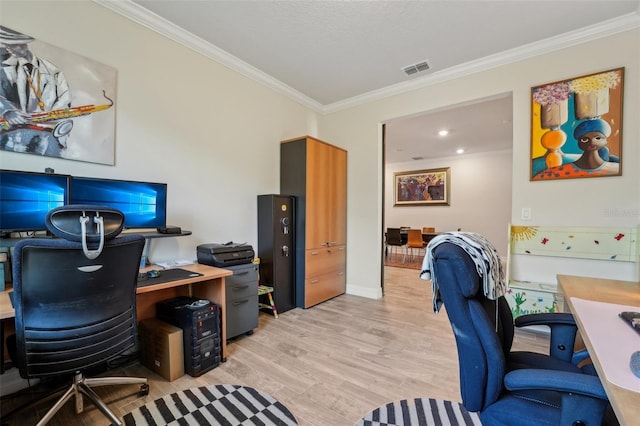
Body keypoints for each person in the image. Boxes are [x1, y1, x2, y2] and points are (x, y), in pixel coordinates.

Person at [0, 25, 72, 156]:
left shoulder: (52, 72)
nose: (8, 49)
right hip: (9, 140)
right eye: (6, 45)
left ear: (24, 45)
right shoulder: (4, 68)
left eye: (12, 45)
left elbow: (64, 101)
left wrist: (51, 121)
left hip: (46, 139)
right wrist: (6, 111)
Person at [532, 118, 619, 180]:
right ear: (579, 143)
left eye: (598, 138)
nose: (591, 142)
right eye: (584, 139)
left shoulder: (616, 169)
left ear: (606, 141)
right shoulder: (554, 173)